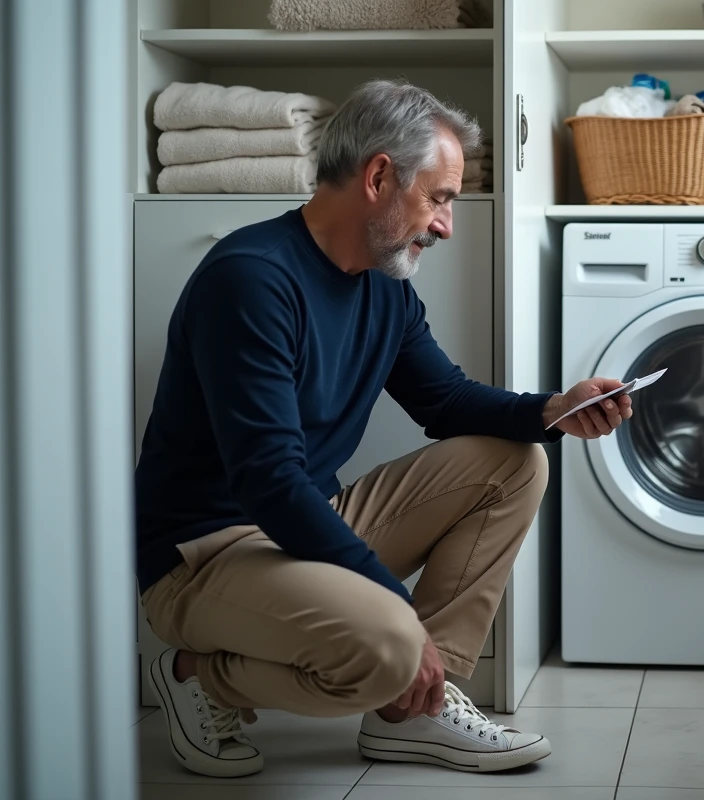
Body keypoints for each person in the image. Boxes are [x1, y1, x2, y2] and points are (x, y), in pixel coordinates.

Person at [134, 78, 634, 779]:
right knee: (394, 643)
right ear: (378, 176)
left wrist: (555, 410)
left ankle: (412, 708)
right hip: (204, 555)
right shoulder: (250, 279)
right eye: (439, 198)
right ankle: (194, 672)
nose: (446, 225)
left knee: (516, 462)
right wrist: (395, 607)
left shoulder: (386, 286)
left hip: (302, 524)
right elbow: (267, 480)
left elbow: (447, 401)